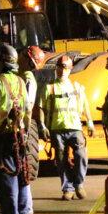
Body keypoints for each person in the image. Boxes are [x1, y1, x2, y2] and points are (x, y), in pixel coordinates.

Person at [0, 45, 37, 214]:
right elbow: (28, 109)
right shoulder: (21, 81)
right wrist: (27, 130)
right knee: (22, 175)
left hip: (4, 135)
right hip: (21, 134)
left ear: (1, 61)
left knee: (6, 178)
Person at [35, 56, 94, 201]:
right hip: (57, 128)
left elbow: (85, 105)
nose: (62, 70)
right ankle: (68, 188)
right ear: (57, 68)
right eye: (60, 67)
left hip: (75, 127)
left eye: (66, 67)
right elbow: (41, 107)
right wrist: (42, 126)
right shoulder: (49, 87)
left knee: (81, 155)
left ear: (70, 68)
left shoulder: (77, 87)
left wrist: (90, 121)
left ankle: (78, 184)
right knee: (61, 160)